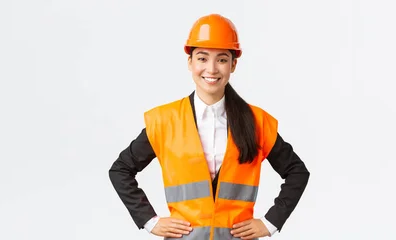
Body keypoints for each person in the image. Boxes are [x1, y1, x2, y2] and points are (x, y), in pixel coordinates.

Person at [109, 13, 310, 239]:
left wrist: (270, 222)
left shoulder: (255, 121)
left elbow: (297, 172)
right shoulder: (165, 121)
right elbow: (121, 169)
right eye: (202, 58)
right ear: (190, 62)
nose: (212, 69)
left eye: (222, 59)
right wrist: (149, 221)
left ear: (233, 64)